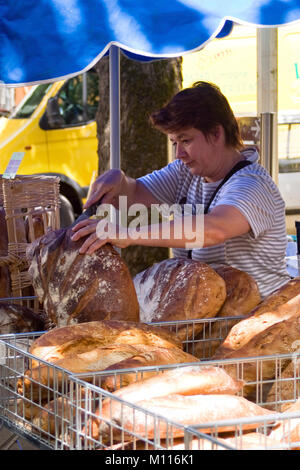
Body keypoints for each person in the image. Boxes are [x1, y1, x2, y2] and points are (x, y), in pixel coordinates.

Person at [71, 81, 290, 298]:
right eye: (174, 142)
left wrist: (128, 234)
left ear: (216, 134)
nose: (179, 154)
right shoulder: (184, 172)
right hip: (208, 321)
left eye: (185, 140)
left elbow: (214, 229)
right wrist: (118, 180)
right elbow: (134, 195)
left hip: (259, 319)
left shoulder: (253, 184)